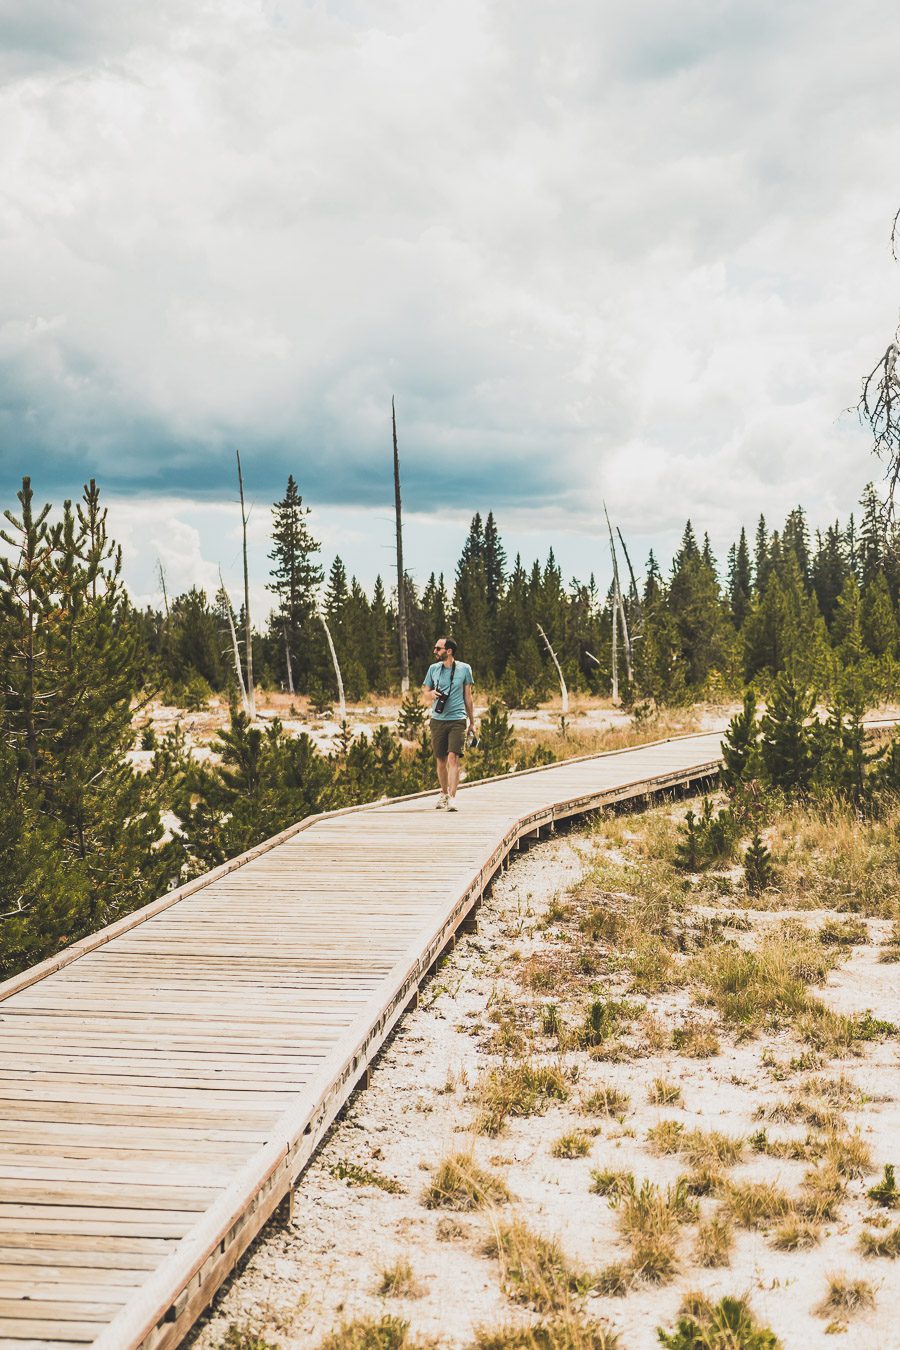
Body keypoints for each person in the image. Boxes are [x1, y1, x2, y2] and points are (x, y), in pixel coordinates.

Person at [422, 636, 475, 811]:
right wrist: (431, 695)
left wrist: (472, 722)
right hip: (438, 720)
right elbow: (425, 691)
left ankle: (452, 797)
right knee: (441, 760)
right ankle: (443, 794)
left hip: (457, 719)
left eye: (438, 648)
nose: (435, 651)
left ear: (449, 651)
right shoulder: (433, 669)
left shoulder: (465, 669)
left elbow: (468, 696)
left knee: (454, 758)